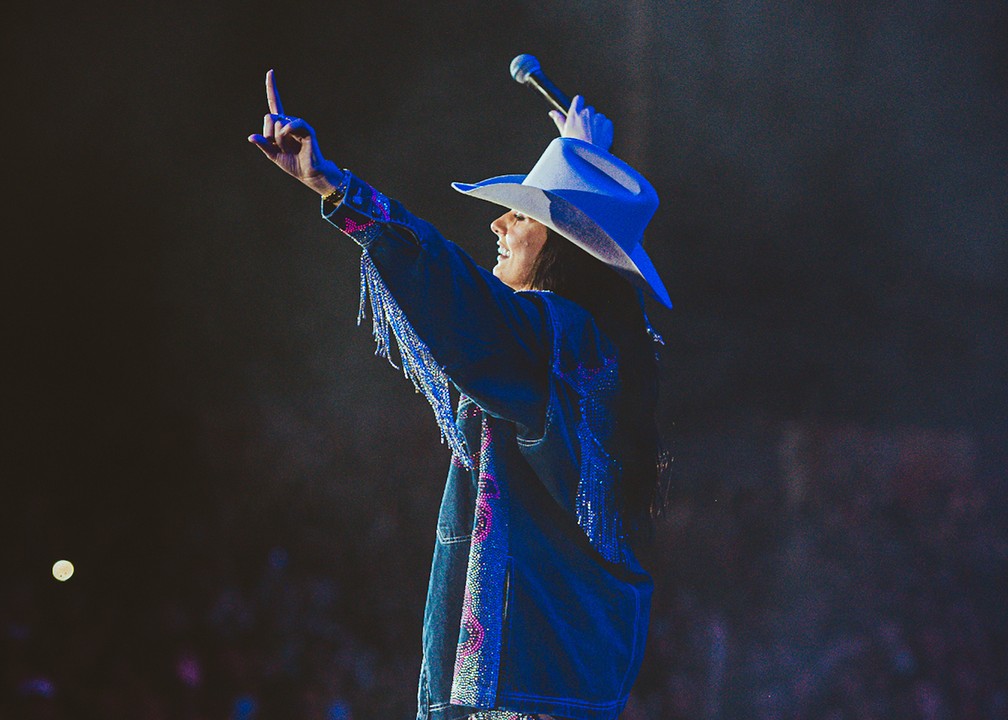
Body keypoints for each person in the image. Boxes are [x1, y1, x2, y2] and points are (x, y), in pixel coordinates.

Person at [248, 68, 671, 720]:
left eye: (526, 213)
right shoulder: (605, 355)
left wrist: (335, 187)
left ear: (566, 247)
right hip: (566, 681)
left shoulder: (555, 342)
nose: (500, 223)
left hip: (527, 693)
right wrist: (584, 157)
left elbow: (457, 298)